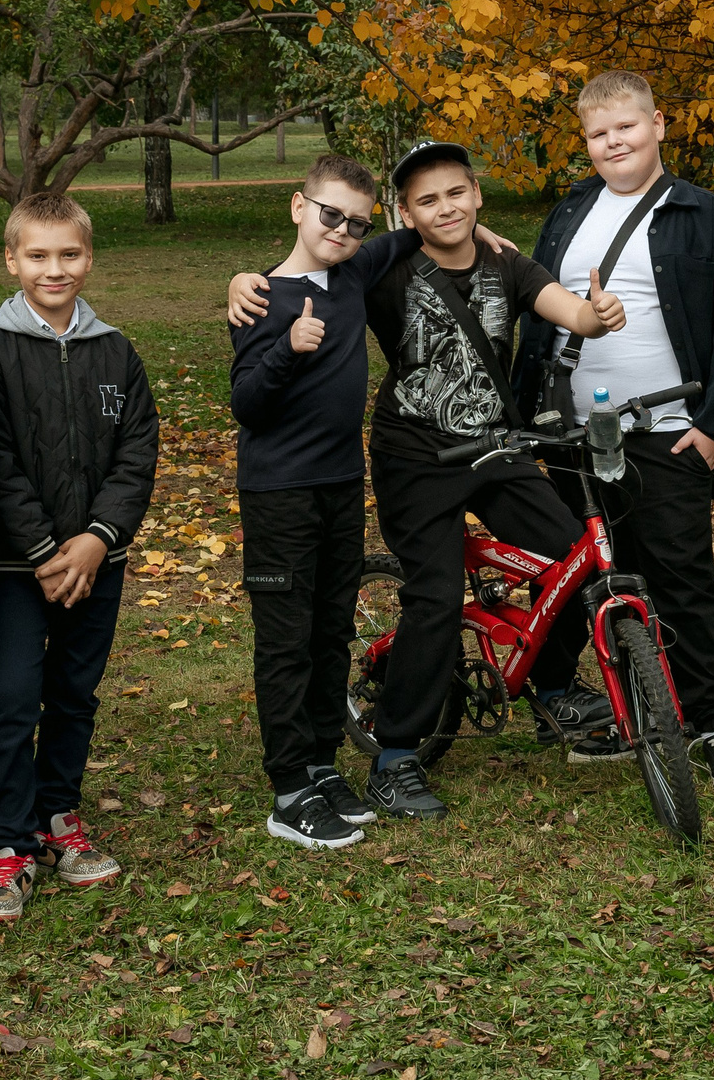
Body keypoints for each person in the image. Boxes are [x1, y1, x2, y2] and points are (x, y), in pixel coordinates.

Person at [508, 71, 714, 794]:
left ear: (658, 126)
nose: (613, 142)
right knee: (578, 574)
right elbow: (533, 303)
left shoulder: (702, 215)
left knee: (680, 576)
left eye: (625, 127)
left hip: (666, 429)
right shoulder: (569, 212)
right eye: (598, 133)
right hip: (570, 431)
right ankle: (600, 710)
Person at [361, 140, 626, 819]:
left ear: (476, 193)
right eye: (426, 201)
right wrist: (246, 282)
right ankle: (395, 755)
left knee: (575, 560)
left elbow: (568, 309)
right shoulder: (388, 266)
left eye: (456, 193)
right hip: (415, 457)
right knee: (435, 596)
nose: (445, 208)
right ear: (405, 213)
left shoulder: (508, 263)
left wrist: (596, 316)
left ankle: (554, 691)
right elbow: (315, 271)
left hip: (495, 445)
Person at [0, 191, 160, 921]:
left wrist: (98, 538)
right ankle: (7, 843)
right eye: (39, 255)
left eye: (69, 254)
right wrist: (48, 551)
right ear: (11, 260)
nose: (55, 269)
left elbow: (137, 450)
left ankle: (57, 817)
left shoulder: (116, 351)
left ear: (89, 257)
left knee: (75, 694)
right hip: (16, 569)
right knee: (13, 699)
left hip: (97, 562)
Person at [226, 155, 426, 849]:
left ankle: (318, 762)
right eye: (330, 214)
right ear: (298, 206)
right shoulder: (260, 297)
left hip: (341, 486)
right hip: (279, 492)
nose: (341, 230)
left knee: (330, 631)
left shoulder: (353, 274)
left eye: (356, 223)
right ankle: (289, 790)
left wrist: (478, 232)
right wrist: (288, 348)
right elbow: (247, 404)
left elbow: (410, 234)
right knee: (287, 640)